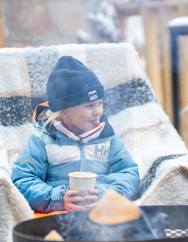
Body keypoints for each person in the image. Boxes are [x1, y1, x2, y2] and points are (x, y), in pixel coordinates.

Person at [12, 56, 140, 213]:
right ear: (63, 112)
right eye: (89, 105)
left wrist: (105, 194)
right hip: (57, 217)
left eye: (100, 103)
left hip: (102, 218)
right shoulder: (43, 140)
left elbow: (129, 174)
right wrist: (56, 198)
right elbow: (21, 180)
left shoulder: (108, 138)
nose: (98, 111)